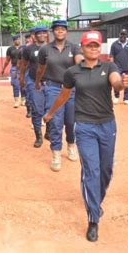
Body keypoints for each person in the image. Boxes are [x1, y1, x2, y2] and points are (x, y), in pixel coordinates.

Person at [43, 31, 128, 242]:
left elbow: (116, 82)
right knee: (91, 170)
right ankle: (93, 218)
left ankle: (94, 199)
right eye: (89, 45)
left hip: (107, 125)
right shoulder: (73, 72)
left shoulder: (109, 67)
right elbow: (63, 95)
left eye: (96, 45)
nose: (93, 49)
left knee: (106, 170)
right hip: (85, 128)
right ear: (82, 47)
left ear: (100, 48)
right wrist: (51, 113)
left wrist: (121, 85)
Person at [35, 20, 83, 171]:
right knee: (55, 121)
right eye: (57, 29)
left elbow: (79, 60)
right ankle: (56, 152)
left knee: (70, 121)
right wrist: (37, 82)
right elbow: (41, 68)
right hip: (53, 88)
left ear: (66, 31)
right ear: (53, 32)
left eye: (63, 29)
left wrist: (84, 63)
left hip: (71, 89)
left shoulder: (74, 47)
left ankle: (71, 144)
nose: (60, 31)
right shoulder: (46, 50)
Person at [20, 26, 48, 147]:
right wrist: (21, 78)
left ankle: (49, 132)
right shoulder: (28, 49)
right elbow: (24, 65)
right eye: (39, 33)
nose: (42, 35)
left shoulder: (52, 48)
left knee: (50, 108)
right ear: (34, 35)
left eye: (44, 33)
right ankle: (38, 136)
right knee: (37, 110)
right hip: (33, 82)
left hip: (50, 82)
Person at [109, 29, 128, 105]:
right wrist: (112, 65)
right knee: (116, 81)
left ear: (126, 36)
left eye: (124, 34)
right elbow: (111, 55)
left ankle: (126, 98)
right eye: (121, 34)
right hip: (117, 67)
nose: (122, 36)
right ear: (119, 35)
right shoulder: (114, 44)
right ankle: (116, 97)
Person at [1, 34, 23, 108]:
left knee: (23, 84)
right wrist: (3, 69)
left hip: (23, 68)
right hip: (14, 68)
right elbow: (7, 60)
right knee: (15, 84)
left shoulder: (24, 48)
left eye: (19, 39)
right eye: (16, 39)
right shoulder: (10, 49)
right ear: (14, 41)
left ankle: (23, 99)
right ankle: (17, 100)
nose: (18, 40)